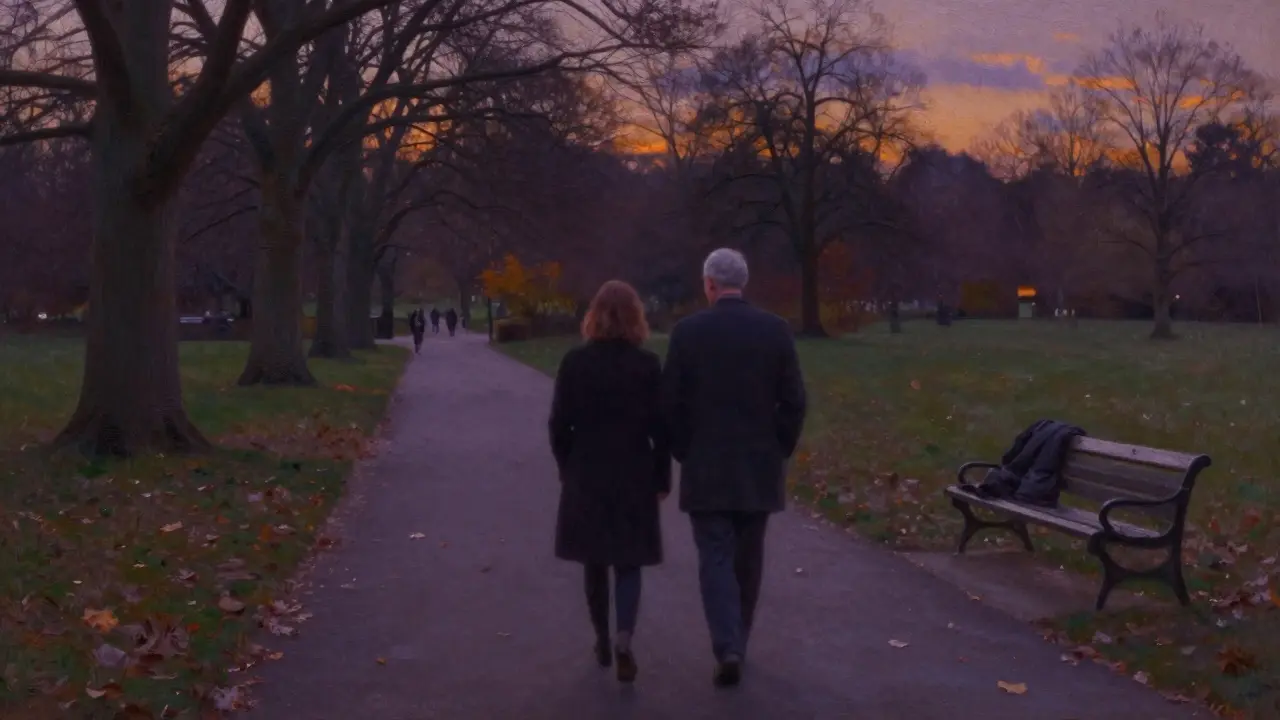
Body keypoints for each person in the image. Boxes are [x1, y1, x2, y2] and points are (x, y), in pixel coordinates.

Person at [661, 248, 807, 688]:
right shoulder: (775, 331)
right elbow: (794, 401)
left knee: (715, 557)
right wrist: (778, 445)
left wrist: (683, 449)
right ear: (743, 282)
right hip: (758, 463)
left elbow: (670, 404)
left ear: (708, 283)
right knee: (748, 557)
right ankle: (738, 638)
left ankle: (728, 644)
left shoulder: (687, 333)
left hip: (707, 463)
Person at [549, 280, 670, 684]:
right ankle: (624, 635)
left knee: (594, 561)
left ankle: (601, 636)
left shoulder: (574, 364)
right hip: (634, 471)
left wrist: (567, 465)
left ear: (593, 316)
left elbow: (558, 424)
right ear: (636, 317)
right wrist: (661, 476)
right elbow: (661, 429)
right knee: (629, 561)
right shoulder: (648, 366)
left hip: (587, 471)